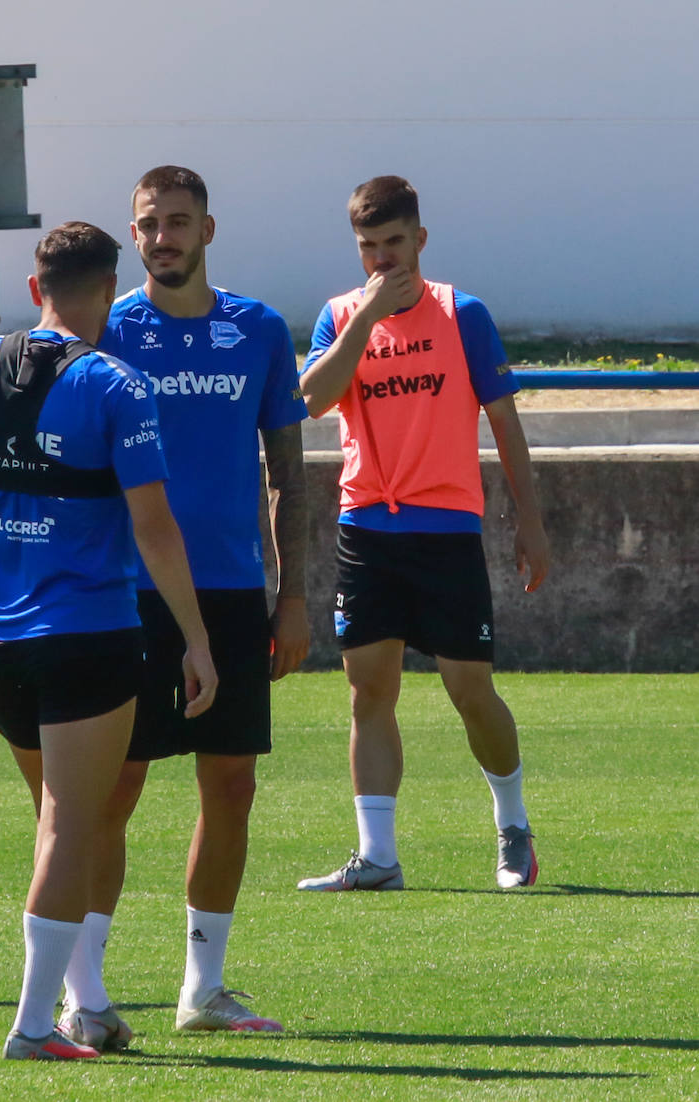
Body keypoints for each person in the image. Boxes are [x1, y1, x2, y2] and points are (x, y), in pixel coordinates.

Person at [53, 165, 309, 1051]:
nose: (162, 237)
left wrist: (296, 594)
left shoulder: (259, 330)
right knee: (114, 789)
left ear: (209, 229)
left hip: (235, 593)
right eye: (149, 224)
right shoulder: (107, 332)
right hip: (128, 597)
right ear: (133, 237)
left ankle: (203, 986)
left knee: (230, 783)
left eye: (178, 222)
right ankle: (81, 987)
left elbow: (287, 473)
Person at [0, 221, 218, 1060]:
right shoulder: (118, 384)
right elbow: (156, 528)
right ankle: (36, 1025)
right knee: (76, 825)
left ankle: (90, 1004)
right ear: (111, 290)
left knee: (56, 821)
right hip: (88, 633)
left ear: (36, 289)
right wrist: (198, 640)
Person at [296, 175, 550, 893]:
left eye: (394, 244)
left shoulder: (461, 313)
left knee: (469, 688)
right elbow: (312, 399)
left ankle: (513, 826)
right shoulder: (341, 315)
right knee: (367, 690)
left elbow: (505, 421)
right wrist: (365, 320)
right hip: (366, 525)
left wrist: (529, 521)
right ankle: (377, 856)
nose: (381, 260)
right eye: (368, 247)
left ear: (420, 240)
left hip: (445, 530)